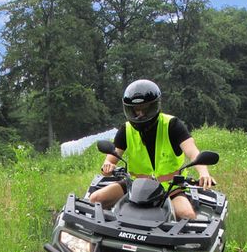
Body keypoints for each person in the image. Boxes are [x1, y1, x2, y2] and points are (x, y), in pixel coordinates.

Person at [88, 79, 214, 220]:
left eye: (145, 108)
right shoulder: (126, 129)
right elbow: (111, 158)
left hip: (169, 188)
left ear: (155, 106)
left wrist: (204, 173)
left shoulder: (172, 125)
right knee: (95, 198)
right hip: (134, 187)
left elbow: (193, 152)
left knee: (187, 215)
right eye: (135, 110)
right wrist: (108, 166)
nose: (140, 114)